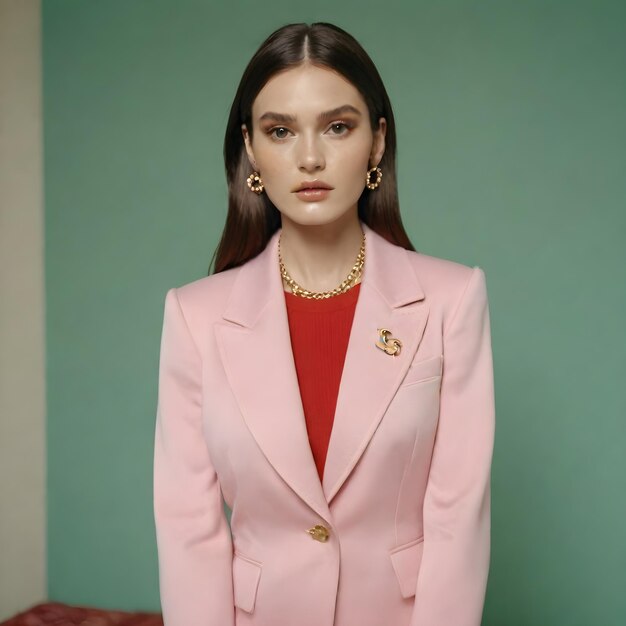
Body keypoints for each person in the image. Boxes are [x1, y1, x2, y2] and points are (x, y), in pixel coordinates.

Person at [153, 21, 495, 626]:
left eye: (338, 126)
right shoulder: (195, 316)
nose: (309, 157)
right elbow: (188, 526)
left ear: (378, 141)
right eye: (280, 131)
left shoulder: (451, 299)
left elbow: (457, 513)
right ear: (252, 151)